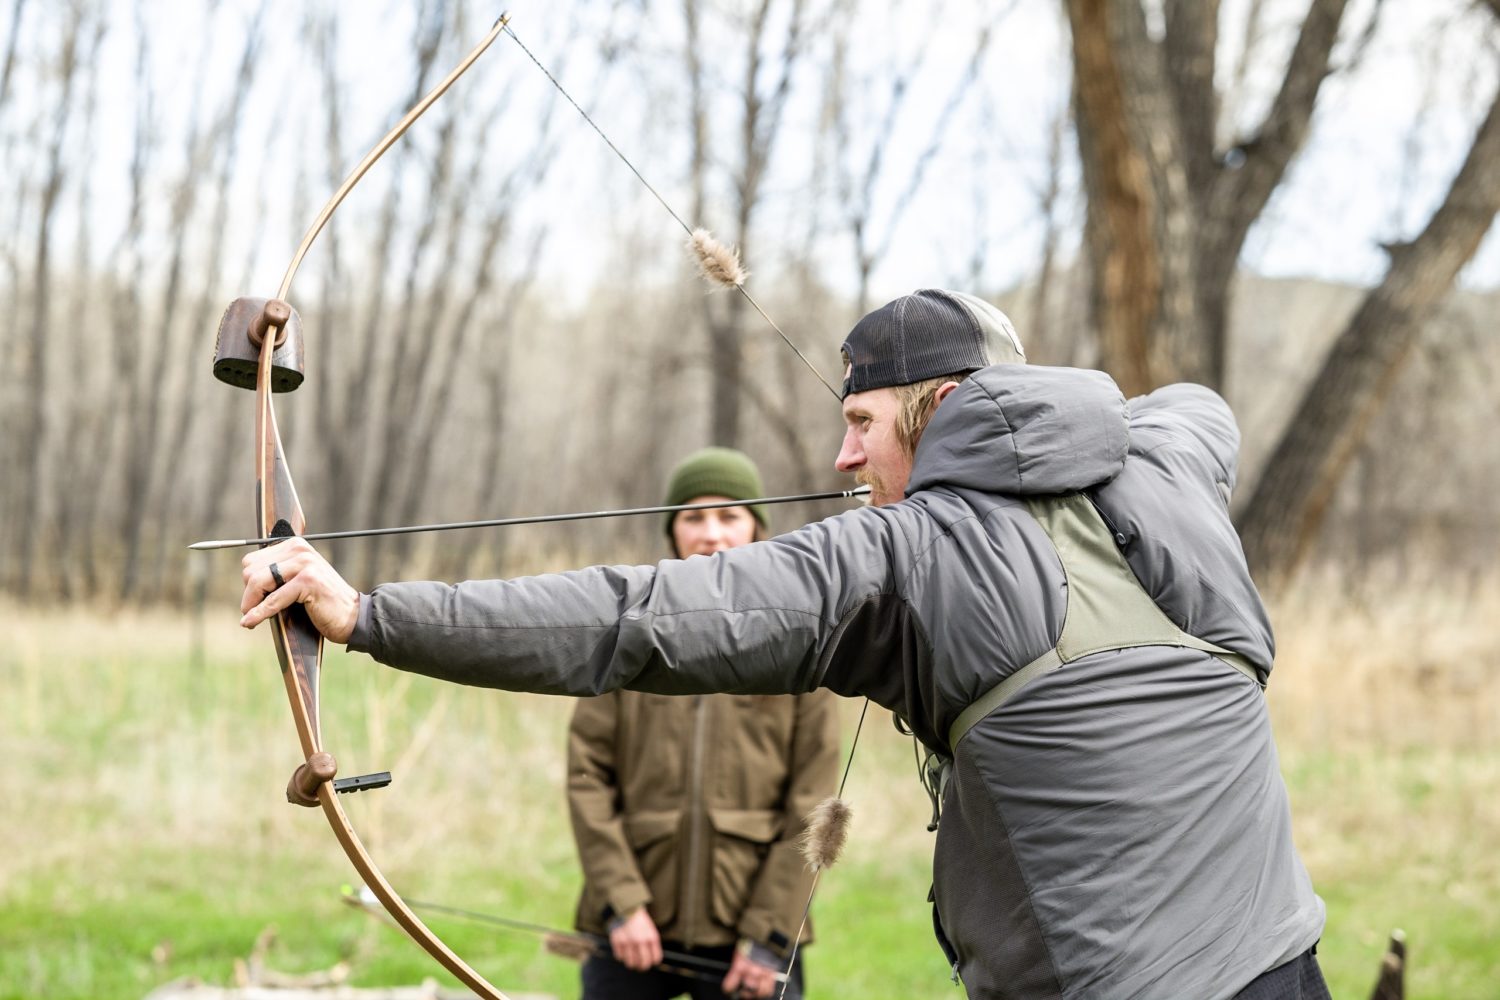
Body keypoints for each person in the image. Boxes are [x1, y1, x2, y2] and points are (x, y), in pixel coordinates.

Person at [242, 288, 1328, 1000]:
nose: (843, 454)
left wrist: (368, 614)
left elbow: (637, 617)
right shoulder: (1168, 466)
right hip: (1290, 966)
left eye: (864, 422)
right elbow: (1199, 407)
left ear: (941, 405)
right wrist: (1034, 428)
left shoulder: (905, 560)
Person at [567, 447, 838, 1000]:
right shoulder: (623, 637)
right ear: (673, 534)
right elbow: (587, 779)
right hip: (634, 931)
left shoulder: (801, 646)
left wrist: (769, 934)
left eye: (729, 516)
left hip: (751, 938)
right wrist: (622, 904)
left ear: (758, 530)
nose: (711, 534)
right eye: (693, 517)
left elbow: (813, 804)